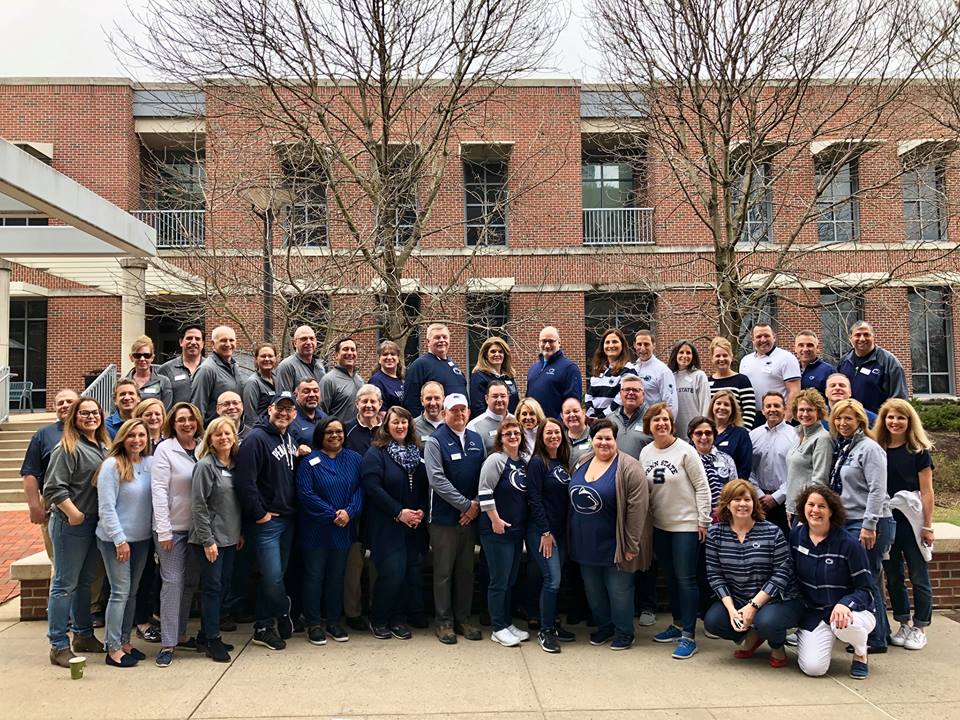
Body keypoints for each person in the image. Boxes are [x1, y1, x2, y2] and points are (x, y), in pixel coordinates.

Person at [569, 419, 651, 651]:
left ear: (616, 440)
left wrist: (631, 543)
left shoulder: (629, 467)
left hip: (615, 543)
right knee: (593, 591)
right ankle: (604, 627)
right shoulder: (582, 461)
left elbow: (638, 509)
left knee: (619, 591)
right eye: (599, 438)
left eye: (609, 438)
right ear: (591, 440)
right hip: (584, 542)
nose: (604, 442)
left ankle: (624, 632)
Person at [703, 480, 801, 668]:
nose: (742, 504)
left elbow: (782, 573)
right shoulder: (716, 533)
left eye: (747, 499)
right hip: (739, 598)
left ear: (754, 503)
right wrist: (732, 610)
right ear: (727, 504)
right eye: (736, 499)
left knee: (768, 622)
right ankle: (752, 634)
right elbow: (715, 575)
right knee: (714, 621)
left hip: (775, 600)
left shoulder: (771, 532)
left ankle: (777, 645)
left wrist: (753, 606)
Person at [43, 397, 110, 668]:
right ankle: (58, 644)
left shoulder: (102, 446)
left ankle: (83, 635)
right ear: (74, 417)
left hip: (94, 523)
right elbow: (53, 488)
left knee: (85, 583)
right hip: (70, 524)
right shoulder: (67, 448)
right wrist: (75, 514)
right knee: (63, 585)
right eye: (84, 413)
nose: (91, 417)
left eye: (95, 413)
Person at [642, 403, 711, 659]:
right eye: (656, 420)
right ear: (649, 425)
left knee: (686, 579)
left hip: (685, 525)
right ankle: (678, 623)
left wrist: (702, 521)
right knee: (670, 578)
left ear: (672, 424)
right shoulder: (646, 452)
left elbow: (702, 487)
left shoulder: (685, 451)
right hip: (660, 525)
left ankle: (689, 636)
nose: (661, 423)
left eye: (666, 420)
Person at [233, 390, 300, 651]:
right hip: (267, 523)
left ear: (294, 414)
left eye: (289, 410)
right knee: (272, 577)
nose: (284, 413)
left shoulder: (288, 437)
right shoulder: (255, 439)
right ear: (269, 409)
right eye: (279, 408)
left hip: (288, 519)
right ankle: (283, 612)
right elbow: (244, 482)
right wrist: (259, 513)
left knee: (274, 576)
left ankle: (263, 625)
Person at [828, 398, 895, 653]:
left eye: (848, 418)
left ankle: (875, 639)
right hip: (850, 520)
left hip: (871, 522)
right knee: (869, 578)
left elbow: (878, 490)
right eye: (838, 418)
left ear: (860, 420)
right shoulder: (845, 448)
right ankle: (880, 633)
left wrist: (869, 525)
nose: (843, 423)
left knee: (866, 579)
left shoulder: (869, 448)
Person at [791, 484, 876, 679]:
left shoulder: (849, 544)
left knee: (842, 624)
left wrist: (846, 603)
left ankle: (861, 652)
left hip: (852, 612)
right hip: (816, 612)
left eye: (822, 506)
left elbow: (866, 588)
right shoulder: (797, 536)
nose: (815, 510)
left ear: (831, 511)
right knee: (814, 669)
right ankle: (811, 637)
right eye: (810, 504)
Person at [361, 406, 428, 640]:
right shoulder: (376, 453)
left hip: (412, 525)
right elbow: (372, 487)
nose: (400, 426)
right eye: (395, 422)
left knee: (409, 573)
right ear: (386, 425)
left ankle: (398, 619)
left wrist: (420, 510)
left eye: (404, 422)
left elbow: (423, 485)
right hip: (386, 524)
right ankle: (379, 618)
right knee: (392, 573)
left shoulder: (416, 451)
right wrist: (399, 512)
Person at [873, 399, 935, 651]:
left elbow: (927, 492)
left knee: (919, 575)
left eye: (901, 417)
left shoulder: (919, 452)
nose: (895, 422)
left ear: (909, 422)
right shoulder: (877, 449)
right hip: (887, 520)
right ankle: (903, 623)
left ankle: (920, 627)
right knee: (894, 575)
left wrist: (928, 525)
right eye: (890, 417)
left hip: (912, 520)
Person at [297, 416, 364, 645]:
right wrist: (332, 514)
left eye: (339, 432)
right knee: (314, 576)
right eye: (329, 432)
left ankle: (334, 621)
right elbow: (306, 494)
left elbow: (361, 489)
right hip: (316, 529)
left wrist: (349, 512)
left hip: (343, 529)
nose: (335, 436)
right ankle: (314, 623)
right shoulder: (309, 461)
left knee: (337, 577)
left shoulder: (355, 459)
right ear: (320, 436)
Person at [424, 393, 485, 644]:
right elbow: (436, 479)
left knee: (465, 571)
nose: (459, 415)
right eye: (454, 410)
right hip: (443, 519)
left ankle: (463, 618)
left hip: (470, 518)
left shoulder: (476, 439)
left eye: (463, 410)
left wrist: (477, 506)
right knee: (443, 572)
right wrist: (465, 505)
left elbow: (485, 475)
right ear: (445, 413)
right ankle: (444, 621)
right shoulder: (435, 440)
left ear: (468, 412)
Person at [95, 418, 154, 668]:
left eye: (141, 435)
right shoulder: (112, 466)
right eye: (132, 435)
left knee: (131, 593)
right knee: (119, 592)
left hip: (142, 540)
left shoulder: (149, 463)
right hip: (115, 540)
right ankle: (113, 648)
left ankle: (125, 642)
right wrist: (119, 540)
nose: (137, 440)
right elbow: (106, 508)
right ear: (122, 438)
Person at [151, 402, 203, 667]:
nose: (187, 424)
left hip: (198, 529)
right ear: (173, 422)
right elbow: (159, 490)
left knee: (191, 583)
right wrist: (163, 529)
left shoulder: (203, 446)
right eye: (181, 419)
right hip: (172, 528)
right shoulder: (165, 449)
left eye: (191, 419)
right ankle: (168, 643)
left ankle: (181, 634)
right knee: (172, 583)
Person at [190, 417, 243, 663]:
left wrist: (239, 532)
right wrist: (208, 540)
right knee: (212, 589)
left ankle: (204, 634)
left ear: (234, 437)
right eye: (217, 434)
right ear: (210, 439)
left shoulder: (235, 464)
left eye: (227, 433)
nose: (223, 438)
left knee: (223, 587)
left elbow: (235, 504)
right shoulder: (205, 466)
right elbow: (198, 506)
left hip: (231, 538)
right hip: (210, 540)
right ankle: (212, 639)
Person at [478, 418, 531, 647]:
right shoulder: (495, 460)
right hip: (496, 531)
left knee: (510, 579)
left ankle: (507, 622)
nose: (512, 436)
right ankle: (497, 627)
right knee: (499, 580)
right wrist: (495, 519)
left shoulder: (523, 461)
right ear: (500, 438)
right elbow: (484, 491)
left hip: (516, 531)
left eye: (516, 433)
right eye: (507, 433)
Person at [526, 418, 574, 653]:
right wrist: (545, 531)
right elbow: (533, 500)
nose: (554, 436)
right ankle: (545, 631)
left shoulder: (563, 462)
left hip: (561, 532)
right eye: (549, 433)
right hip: (542, 532)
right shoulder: (537, 463)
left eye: (557, 432)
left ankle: (552, 624)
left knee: (554, 580)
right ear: (541, 437)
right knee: (552, 580)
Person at [342, 384, 383, 631]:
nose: (369, 406)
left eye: (373, 402)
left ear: (380, 405)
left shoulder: (386, 430)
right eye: (364, 402)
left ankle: (377, 609)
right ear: (357, 404)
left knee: (379, 561)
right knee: (353, 564)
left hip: (380, 506)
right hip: (354, 504)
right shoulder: (346, 430)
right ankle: (353, 612)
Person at [21, 388, 78, 559]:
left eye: (69, 401)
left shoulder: (91, 429)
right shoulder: (43, 434)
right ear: (54, 407)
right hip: (53, 502)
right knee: (59, 560)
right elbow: (30, 473)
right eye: (60, 403)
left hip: (86, 499)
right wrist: (34, 506)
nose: (65, 405)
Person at [838, 320, 909, 414]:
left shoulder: (889, 362)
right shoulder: (844, 361)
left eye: (866, 334)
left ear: (874, 336)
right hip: (850, 423)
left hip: (877, 424)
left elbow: (899, 400)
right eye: (858, 335)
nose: (862, 339)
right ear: (850, 338)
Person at [784, 388, 833, 524]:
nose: (805, 414)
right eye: (801, 410)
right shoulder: (798, 435)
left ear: (818, 412)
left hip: (807, 511)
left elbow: (820, 480)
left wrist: (808, 511)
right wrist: (790, 506)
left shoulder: (822, 438)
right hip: (794, 508)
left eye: (810, 410)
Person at [748, 392, 794, 533]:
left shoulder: (796, 436)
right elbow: (748, 468)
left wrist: (777, 497)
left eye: (777, 406)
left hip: (786, 502)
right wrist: (759, 494)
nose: (772, 409)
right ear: (762, 410)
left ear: (785, 409)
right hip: (758, 502)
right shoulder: (752, 435)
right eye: (768, 406)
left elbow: (798, 472)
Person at [739, 325, 801, 427]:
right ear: (753, 340)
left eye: (766, 336)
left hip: (777, 416)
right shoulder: (745, 361)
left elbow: (794, 391)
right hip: (752, 417)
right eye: (759, 336)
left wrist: (786, 419)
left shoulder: (786, 358)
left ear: (774, 337)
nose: (763, 340)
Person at [403, 323, 468, 418]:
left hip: (458, 422)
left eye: (444, 337)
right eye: (437, 337)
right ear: (428, 342)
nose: (442, 340)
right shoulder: (420, 365)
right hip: (433, 426)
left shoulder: (453, 365)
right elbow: (411, 401)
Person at [526, 326, 583, 420]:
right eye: (544, 341)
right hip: (534, 429)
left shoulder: (569, 368)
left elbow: (573, 403)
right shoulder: (533, 369)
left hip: (555, 431)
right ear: (539, 342)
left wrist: (558, 426)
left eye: (551, 341)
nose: (547, 345)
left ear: (559, 342)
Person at [191, 325, 242, 425]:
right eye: (223, 340)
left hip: (232, 432)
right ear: (212, 344)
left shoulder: (235, 366)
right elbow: (198, 407)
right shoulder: (206, 370)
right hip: (214, 433)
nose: (228, 344)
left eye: (231, 340)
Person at [687, 416, 738, 514]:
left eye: (708, 433)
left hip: (722, 516)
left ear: (714, 435)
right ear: (691, 436)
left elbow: (734, 490)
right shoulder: (685, 460)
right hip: (693, 516)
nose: (704, 437)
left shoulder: (726, 459)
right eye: (698, 433)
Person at [584, 328, 636, 420]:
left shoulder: (629, 370)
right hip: (595, 422)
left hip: (616, 422)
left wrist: (602, 417)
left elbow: (620, 399)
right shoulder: (598, 369)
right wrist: (591, 415)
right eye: (607, 342)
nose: (611, 345)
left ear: (622, 345)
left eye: (615, 342)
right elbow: (589, 395)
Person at [707, 336, 756, 429]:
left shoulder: (742, 380)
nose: (721, 359)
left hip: (737, 434)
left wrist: (742, 434)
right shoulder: (707, 382)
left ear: (731, 356)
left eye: (725, 355)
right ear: (712, 358)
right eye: (717, 356)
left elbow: (749, 410)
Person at [669, 340, 711, 441]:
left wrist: (703, 429)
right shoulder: (670, 377)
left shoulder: (699, 376)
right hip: (675, 434)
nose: (685, 355)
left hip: (695, 433)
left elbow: (705, 404)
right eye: (681, 352)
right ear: (675, 354)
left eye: (688, 353)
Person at [469, 336, 520, 418]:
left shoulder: (509, 376)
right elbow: (478, 408)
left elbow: (515, 401)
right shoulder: (479, 376)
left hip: (510, 423)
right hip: (489, 425)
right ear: (486, 355)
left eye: (500, 352)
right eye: (493, 351)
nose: (497, 354)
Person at [630, 329, 677, 415]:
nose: (642, 348)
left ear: (654, 345)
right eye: (639, 344)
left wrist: (669, 424)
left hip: (655, 423)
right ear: (634, 345)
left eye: (646, 344)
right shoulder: (633, 369)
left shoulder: (663, 371)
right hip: (635, 423)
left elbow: (670, 403)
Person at [709, 389, 753, 480]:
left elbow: (745, 468)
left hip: (731, 490)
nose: (722, 407)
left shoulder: (741, 434)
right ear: (712, 406)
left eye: (726, 404)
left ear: (732, 409)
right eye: (718, 403)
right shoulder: (703, 431)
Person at [320, 337, 366, 423]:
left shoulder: (360, 380)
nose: (350, 353)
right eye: (345, 349)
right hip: (338, 434)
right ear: (336, 355)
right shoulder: (328, 380)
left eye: (353, 350)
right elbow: (321, 412)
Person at [606, 374, 651, 460]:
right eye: (626, 390)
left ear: (643, 394)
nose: (631, 393)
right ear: (620, 393)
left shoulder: (653, 418)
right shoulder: (610, 419)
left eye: (635, 390)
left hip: (642, 471)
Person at [158, 324, 205, 405]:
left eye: (197, 339)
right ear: (181, 342)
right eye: (189, 338)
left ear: (203, 344)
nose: (193, 342)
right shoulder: (166, 369)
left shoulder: (211, 368)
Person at [125, 335, 174, 409]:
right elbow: (115, 412)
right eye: (137, 355)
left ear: (152, 357)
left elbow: (166, 411)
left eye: (147, 355)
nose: (142, 359)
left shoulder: (163, 382)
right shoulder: (123, 383)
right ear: (131, 358)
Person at [275, 325, 326, 394]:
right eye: (304, 339)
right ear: (295, 343)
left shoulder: (320, 365)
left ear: (316, 341)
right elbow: (283, 401)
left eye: (311, 338)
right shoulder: (286, 366)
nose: (308, 342)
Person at [467, 380, 513, 452]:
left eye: (503, 396)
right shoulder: (473, 426)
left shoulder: (517, 421)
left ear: (508, 397)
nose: (499, 399)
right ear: (486, 399)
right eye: (495, 396)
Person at [242, 342, 278, 427]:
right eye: (263, 356)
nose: (267, 359)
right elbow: (250, 416)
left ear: (275, 359)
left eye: (270, 356)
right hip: (260, 431)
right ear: (256, 359)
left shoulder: (277, 379)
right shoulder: (252, 383)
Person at [794, 331, 836, 399]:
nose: (805, 349)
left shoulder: (828, 371)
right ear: (795, 348)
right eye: (801, 345)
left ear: (817, 348)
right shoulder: (790, 369)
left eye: (810, 345)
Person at [288, 378, 326, 450]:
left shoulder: (323, 416)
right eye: (306, 391)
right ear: (296, 395)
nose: (312, 395)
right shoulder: (290, 419)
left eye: (315, 391)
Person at [368, 340, 404, 412]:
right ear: (379, 359)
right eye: (385, 354)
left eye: (393, 354)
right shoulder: (376, 381)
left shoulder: (401, 380)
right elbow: (379, 413)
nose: (389, 357)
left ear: (398, 358)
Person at [561, 397, 592, 465]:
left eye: (576, 411)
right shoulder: (559, 439)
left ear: (584, 413)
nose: (572, 415)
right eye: (567, 412)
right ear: (562, 416)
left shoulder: (595, 436)